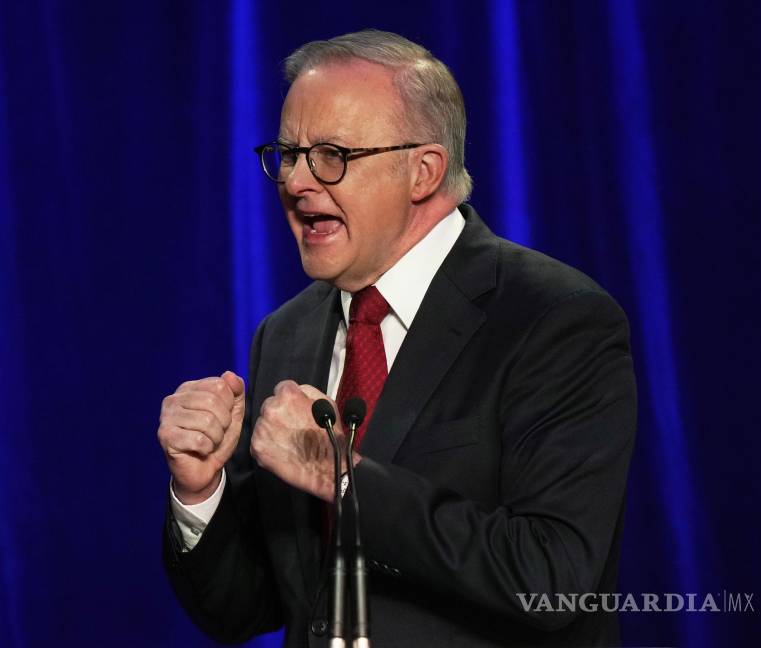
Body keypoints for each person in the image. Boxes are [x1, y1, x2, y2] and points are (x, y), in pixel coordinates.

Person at [158, 29, 636, 648]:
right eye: (289, 154)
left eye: (331, 154)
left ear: (423, 171)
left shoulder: (555, 320)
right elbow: (243, 608)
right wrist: (201, 491)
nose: (296, 181)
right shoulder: (286, 334)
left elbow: (551, 576)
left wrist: (340, 477)